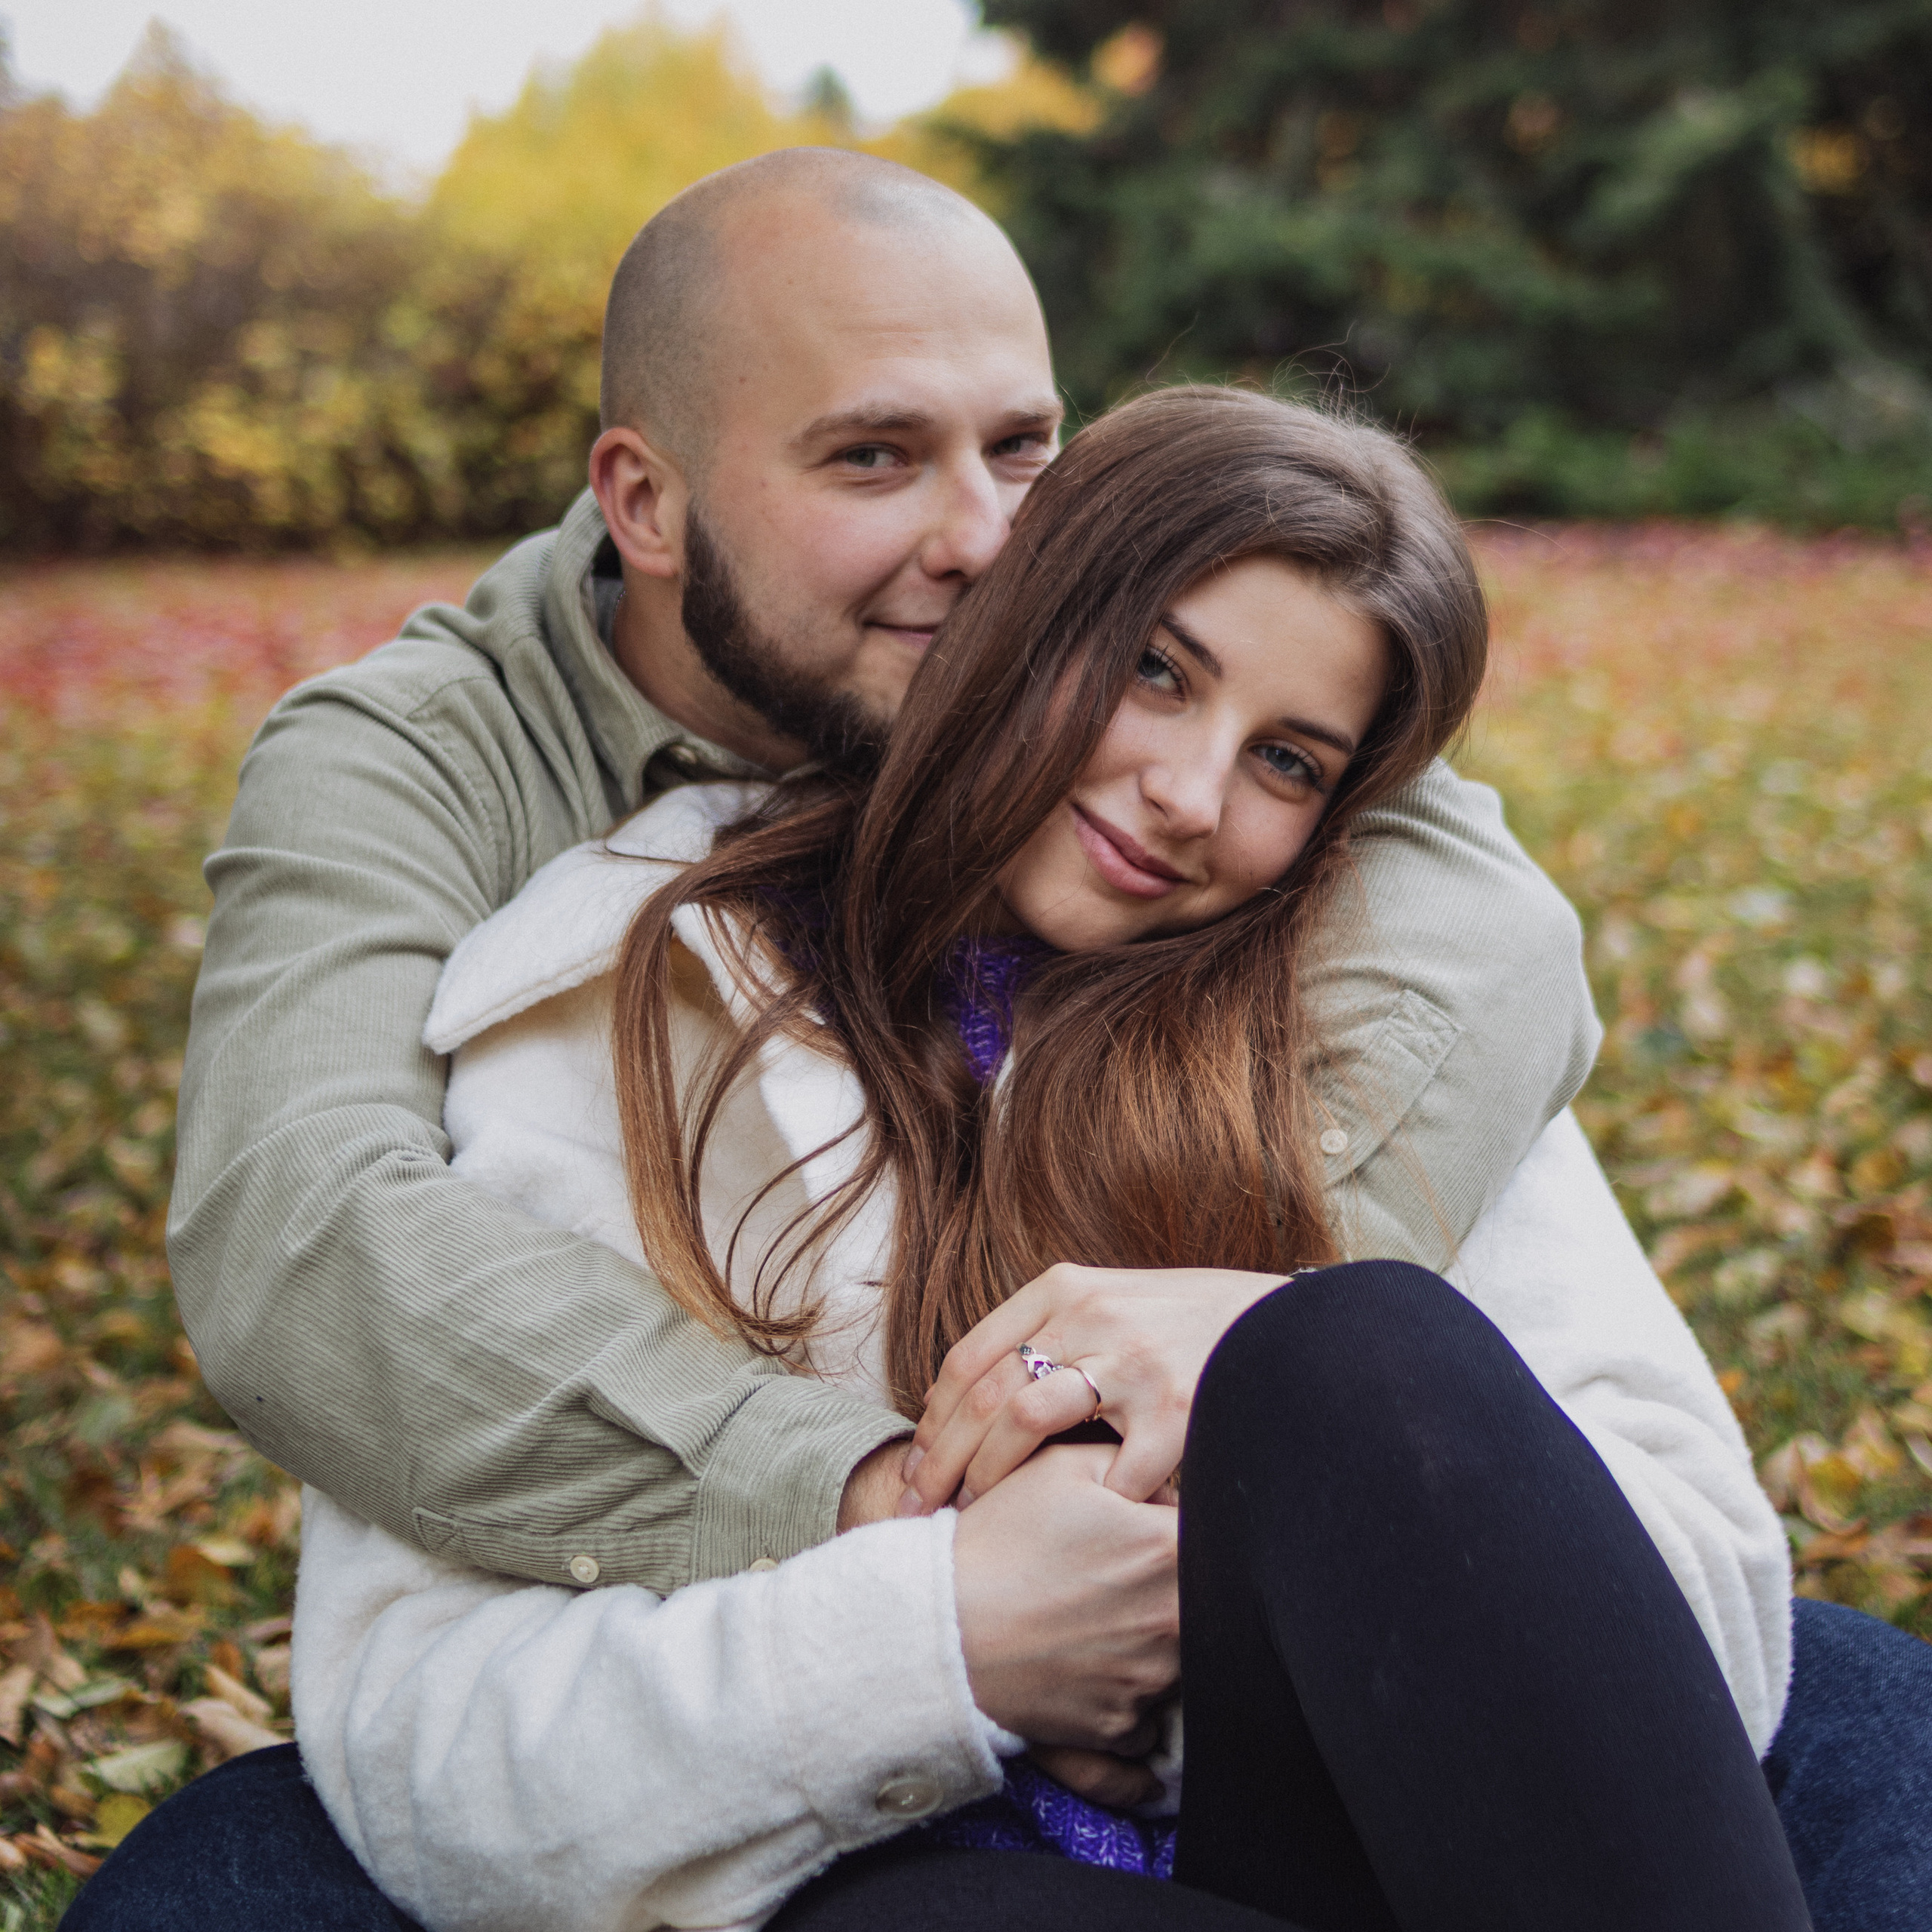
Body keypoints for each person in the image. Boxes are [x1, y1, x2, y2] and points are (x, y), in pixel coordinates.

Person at [78, 150, 1927, 1930]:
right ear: (644, 502)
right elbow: (307, 1242)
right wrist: (912, 1531)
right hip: (778, 1685)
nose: (979, 539)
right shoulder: (483, 825)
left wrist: (1244, 1344)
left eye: (1023, 452)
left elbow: (1483, 902)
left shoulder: (1263, 878)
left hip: (1295, 1684)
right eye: (873, 457)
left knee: (1852, 1741)